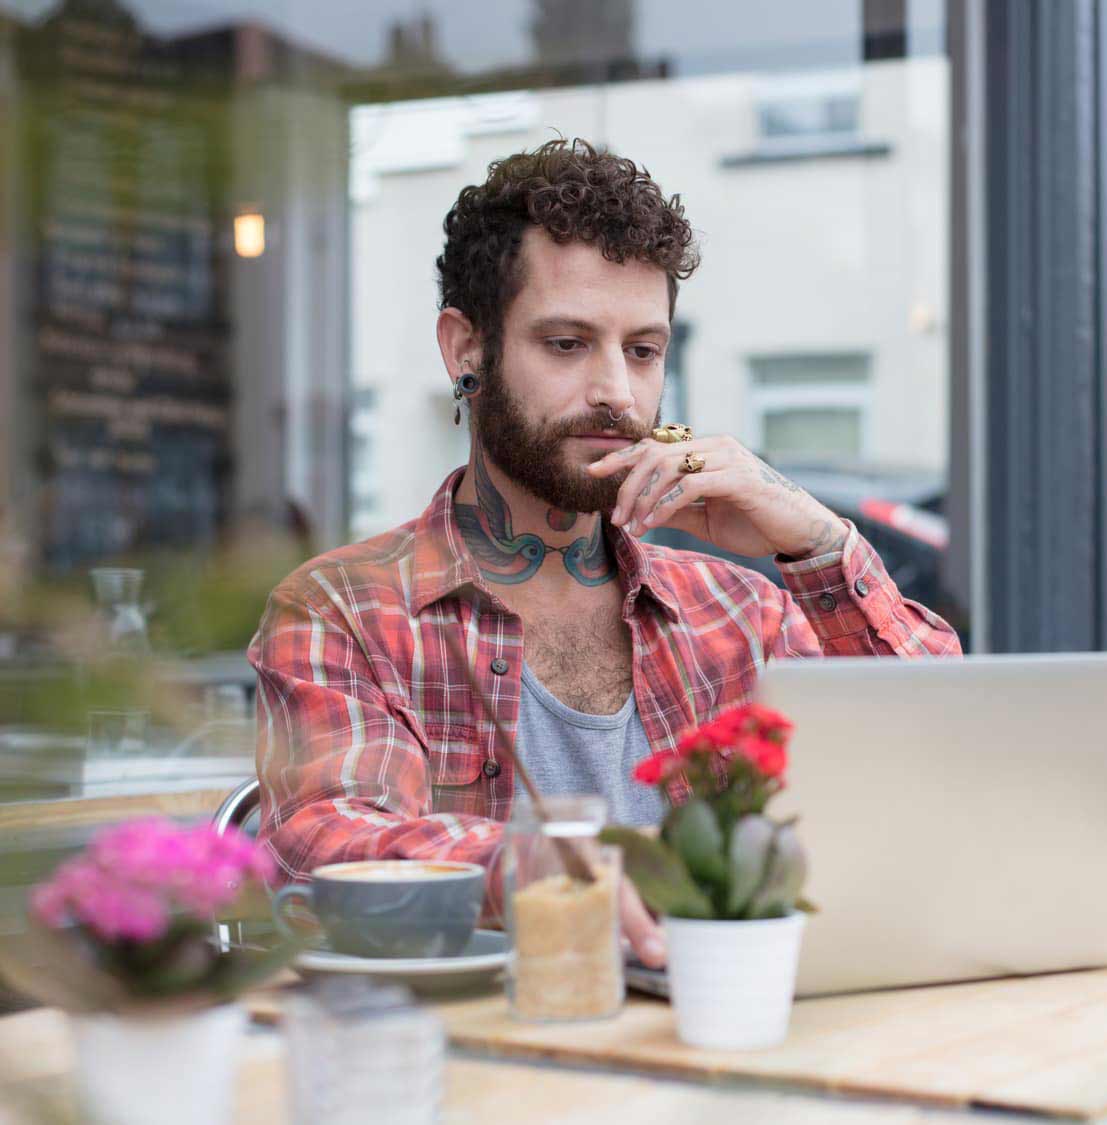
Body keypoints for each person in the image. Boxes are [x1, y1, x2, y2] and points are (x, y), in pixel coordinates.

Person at [248, 139, 959, 969]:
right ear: (465, 348)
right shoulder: (345, 609)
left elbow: (936, 754)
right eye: (565, 343)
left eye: (643, 351)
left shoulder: (740, 609)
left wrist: (811, 536)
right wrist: (551, 869)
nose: (617, 392)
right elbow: (329, 839)